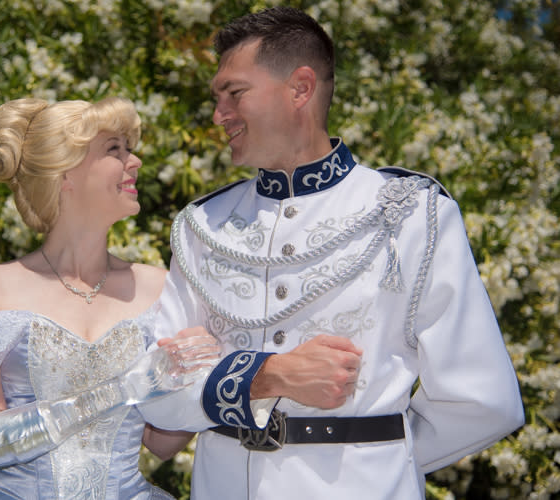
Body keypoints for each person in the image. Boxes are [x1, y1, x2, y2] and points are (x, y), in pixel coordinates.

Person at [141, 6, 525, 499]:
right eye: (217, 98)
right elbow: (156, 394)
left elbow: (484, 397)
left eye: (234, 94)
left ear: (300, 88)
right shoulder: (202, 225)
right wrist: (267, 374)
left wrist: (378, 459)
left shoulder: (409, 212)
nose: (219, 115)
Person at [0, 96, 220, 499]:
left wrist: (201, 370)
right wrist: (126, 388)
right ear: (65, 172)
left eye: (129, 149)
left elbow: (162, 442)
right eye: (114, 150)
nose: (134, 162)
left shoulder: (160, 286)